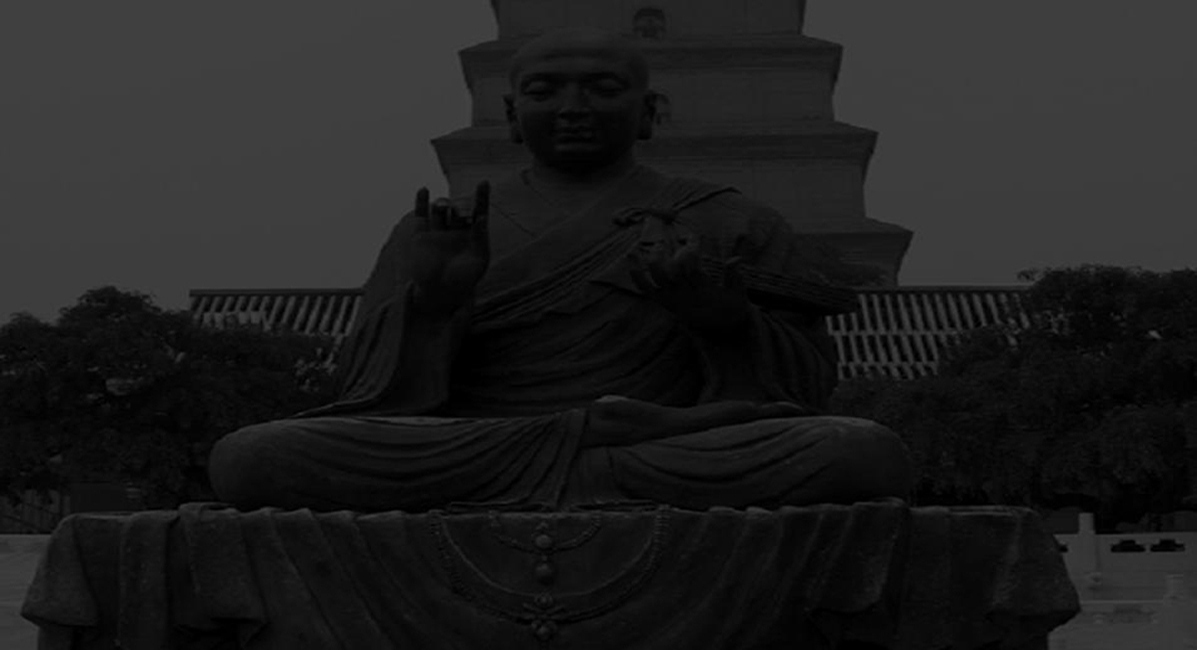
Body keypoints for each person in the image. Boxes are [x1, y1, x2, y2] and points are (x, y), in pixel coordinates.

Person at [207, 28, 913, 513]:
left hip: (667, 442)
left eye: (602, 88)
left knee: (855, 451)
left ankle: (605, 453)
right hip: (486, 443)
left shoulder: (728, 220)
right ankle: (591, 457)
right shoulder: (442, 228)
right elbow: (368, 394)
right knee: (255, 457)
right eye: (545, 91)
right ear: (513, 115)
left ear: (648, 113)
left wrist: (725, 325)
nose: (573, 108)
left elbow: (802, 386)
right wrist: (433, 305)